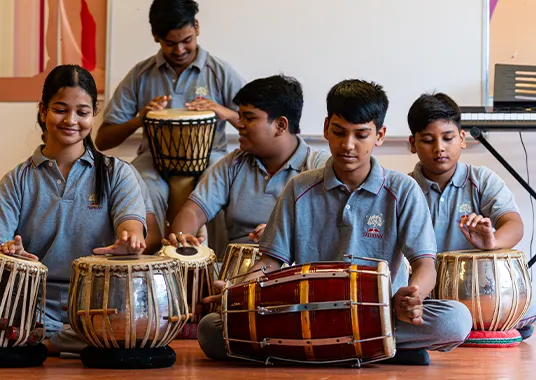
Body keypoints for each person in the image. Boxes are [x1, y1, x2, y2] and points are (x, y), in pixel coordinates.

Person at [197, 79, 472, 366]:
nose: (348, 145)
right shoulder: (298, 188)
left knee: (455, 320)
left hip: (381, 313)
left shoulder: (403, 190)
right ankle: (377, 347)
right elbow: (270, 262)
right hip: (308, 312)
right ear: (327, 128)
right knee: (211, 329)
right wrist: (236, 291)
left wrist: (414, 296)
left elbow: (425, 265)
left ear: (379, 135)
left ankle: (311, 350)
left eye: (361, 135)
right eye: (339, 132)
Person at [0, 65, 149, 354]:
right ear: (42, 110)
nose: (71, 120)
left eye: (82, 112)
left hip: (96, 303)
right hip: (29, 303)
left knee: (140, 312)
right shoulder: (17, 179)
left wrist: (130, 240)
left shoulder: (117, 173)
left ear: (94, 114)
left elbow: (131, 226)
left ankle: (38, 342)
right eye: (60, 110)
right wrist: (8, 256)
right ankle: (71, 340)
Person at [95, 0, 245, 251]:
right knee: (137, 183)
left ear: (196, 27)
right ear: (156, 36)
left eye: (187, 40)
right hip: (153, 159)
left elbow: (255, 123)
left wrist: (225, 112)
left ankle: (217, 261)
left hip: (211, 156)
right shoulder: (141, 74)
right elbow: (103, 140)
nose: (180, 50)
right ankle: (146, 260)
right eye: (170, 43)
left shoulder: (219, 72)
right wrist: (139, 120)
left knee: (219, 185)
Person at [407, 92, 533, 339]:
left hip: (479, 294)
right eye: (428, 140)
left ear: (462, 138)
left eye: (448, 138)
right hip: (428, 297)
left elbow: (514, 224)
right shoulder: (405, 188)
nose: (439, 148)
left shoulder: (481, 179)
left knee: (531, 303)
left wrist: (492, 241)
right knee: (444, 317)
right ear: (413, 144)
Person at [164, 75, 328, 252]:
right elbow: (193, 211)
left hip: (295, 266)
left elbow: (328, 230)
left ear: (281, 125)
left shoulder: (320, 168)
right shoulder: (233, 164)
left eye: (249, 118)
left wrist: (281, 234)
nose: (239, 124)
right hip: (235, 266)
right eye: (240, 116)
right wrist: (182, 237)